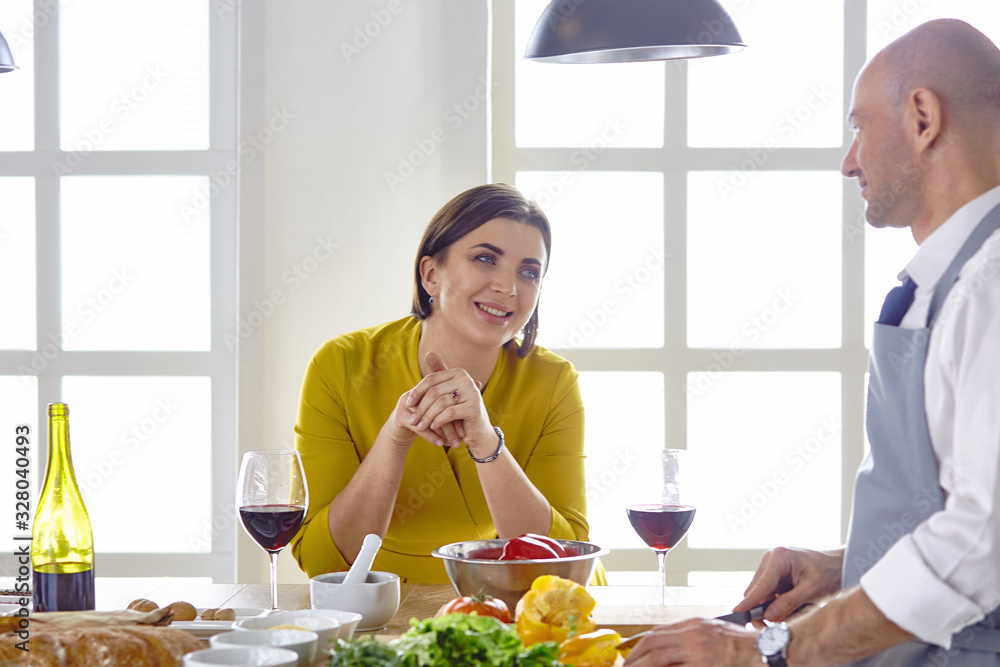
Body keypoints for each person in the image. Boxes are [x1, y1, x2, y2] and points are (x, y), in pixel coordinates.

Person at [625, 19, 1000, 667]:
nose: (848, 160)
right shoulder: (959, 279)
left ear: (922, 117)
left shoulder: (989, 285)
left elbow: (980, 541)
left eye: (859, 127)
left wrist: (769, 648)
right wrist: (851, 564)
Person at [290, 183, 595, 583]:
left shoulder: (552, 381)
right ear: (431, 274)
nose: (509, 287)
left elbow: (564, 566)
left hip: (520, 603)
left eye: (529, 271)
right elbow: (322, 562)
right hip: (387, 605)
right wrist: (395, 437)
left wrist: (486, 442)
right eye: (486, 259)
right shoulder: (342, 365)